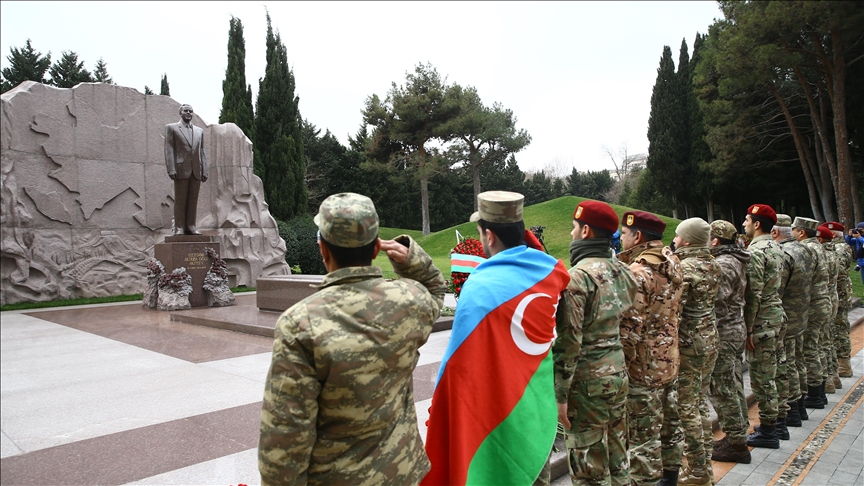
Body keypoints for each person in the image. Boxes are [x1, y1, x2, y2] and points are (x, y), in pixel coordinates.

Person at [258, 193, 446, 486]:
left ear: (323, 249)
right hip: (401, 473)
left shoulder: (300, 323)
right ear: (375, 249)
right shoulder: (410, 301)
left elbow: (286, 435)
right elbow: (435, 289)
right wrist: (412, 259)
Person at [422, 191, 570, 486]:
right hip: (537, 408)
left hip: (494, 414)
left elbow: (459, 366)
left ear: (489, 237)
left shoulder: (480, 284)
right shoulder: (552, 273)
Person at [553, 200, 637, 486]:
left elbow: (569, 340)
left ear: (586, 230)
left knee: (589, 468)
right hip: (617, 374)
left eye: (574, 228)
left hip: (586, 384)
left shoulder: (577, 277)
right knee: (618, 457)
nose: (571, 234)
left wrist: (560, 396)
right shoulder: (623, 271)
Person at [617, 211, 684, 486]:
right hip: (669, 360)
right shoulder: (674, 262)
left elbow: (628, 330)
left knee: (643, 438)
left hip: (642, 369)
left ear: (638, 236)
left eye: (624, 233)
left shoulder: (639, 272)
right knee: (669, 428)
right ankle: (671, 479)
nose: (621, 238)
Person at [671, 217, 721, 485]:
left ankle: (698, 471)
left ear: (687, 240)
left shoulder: (685, 268)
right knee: (699, 402)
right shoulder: (712, 263)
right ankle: (704, 467)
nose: (675, 240)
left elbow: (676, 311)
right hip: (709, 340)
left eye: (678, 236)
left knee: (686, 407)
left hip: (690, 344)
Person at [741, 204, 786, 449]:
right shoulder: (777, 247)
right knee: (770, 373)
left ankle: (769, 430)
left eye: (747, 220)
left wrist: (748, 328)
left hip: (761, 321)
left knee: (762, 378)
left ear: (757, 224)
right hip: (775, 315)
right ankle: (774, 424)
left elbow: (753, 294)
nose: (744, 224)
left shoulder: (756, 251)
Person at [707, 220, 752, 464]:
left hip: (724, 332)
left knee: (723, 389)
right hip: (735, 329)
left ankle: (736, 444)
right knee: (733, 385)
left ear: (715, 241)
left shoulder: (722, 264)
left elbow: (716, 300)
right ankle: (738, 435)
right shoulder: (737, 258)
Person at [771, 214, 815, 429]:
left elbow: (776, 290)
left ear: (774, 232)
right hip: (801, 312)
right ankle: (798, 408)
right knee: (796, 361)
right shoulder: (805, 249)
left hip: (787, 314)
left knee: (785, 365)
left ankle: (790, 413)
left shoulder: (784, 253)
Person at [794, 217, 832, 409]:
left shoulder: (806, 249)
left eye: (794, 230)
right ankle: (820, 390)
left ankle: (815, 394)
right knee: (817, 346)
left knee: (809, 349)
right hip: (822, 302)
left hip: (812, 305)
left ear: (801, 232)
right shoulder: (818, 247)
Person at [164, 104, 208, 235]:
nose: (189, 113)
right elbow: (169, 149)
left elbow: (202, 151)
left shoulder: (199, 131)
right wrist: (171, 168)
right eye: (186, 111)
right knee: (180, 200)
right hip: (181, 169)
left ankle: (191, 226)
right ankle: (179, 228)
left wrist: (204, 170)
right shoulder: (172, 128)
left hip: (196, 170)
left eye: (191, 111)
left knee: (192, 200)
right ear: (180, 113)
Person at [826, 222, 855, 378]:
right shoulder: (837, 248)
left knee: (840, 329)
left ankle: (844, 364)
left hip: (839, 294)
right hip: (837, 293)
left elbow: (839, 270)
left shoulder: (841, 248)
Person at [816, 225, 840, 394]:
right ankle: (833, 376)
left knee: (820, 343)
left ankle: (827, 381)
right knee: (827, 340)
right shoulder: (833, 253)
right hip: (831, 299)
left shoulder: (821, 255)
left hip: (822, 300)